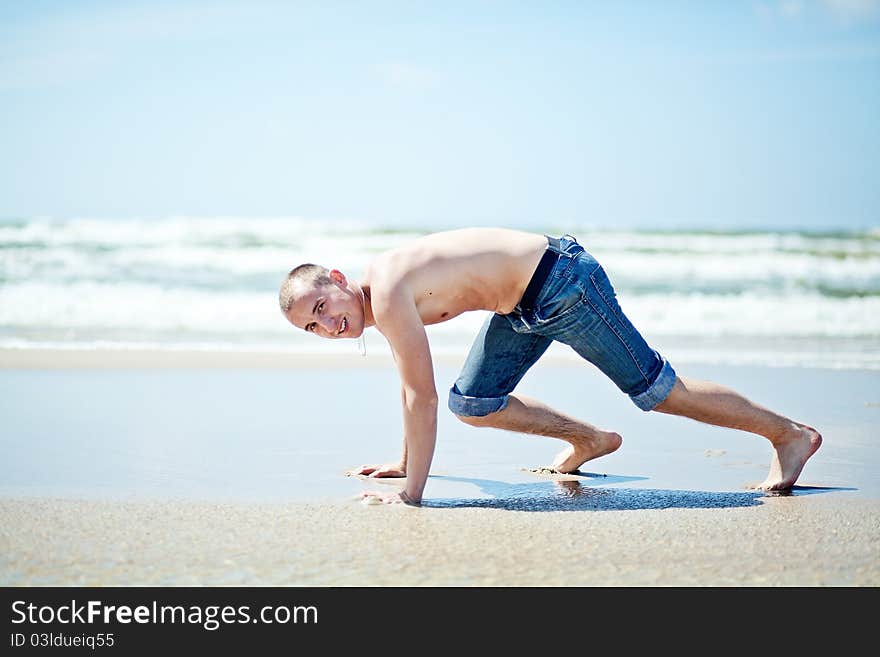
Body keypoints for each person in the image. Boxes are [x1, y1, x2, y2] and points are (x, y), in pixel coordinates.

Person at [279, 228, 822, 506]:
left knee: (659, 391)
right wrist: (403, 463)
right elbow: (409, 388)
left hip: (563, 282)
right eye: (313, 325)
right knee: (473, 401)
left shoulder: (390, 289)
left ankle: (789, 435)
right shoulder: (382, 308)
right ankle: (591, 440)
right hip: (521, 307)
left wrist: (413, 496)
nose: (328, 325)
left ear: (338, 278)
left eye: (323, 306)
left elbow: (420, 397)